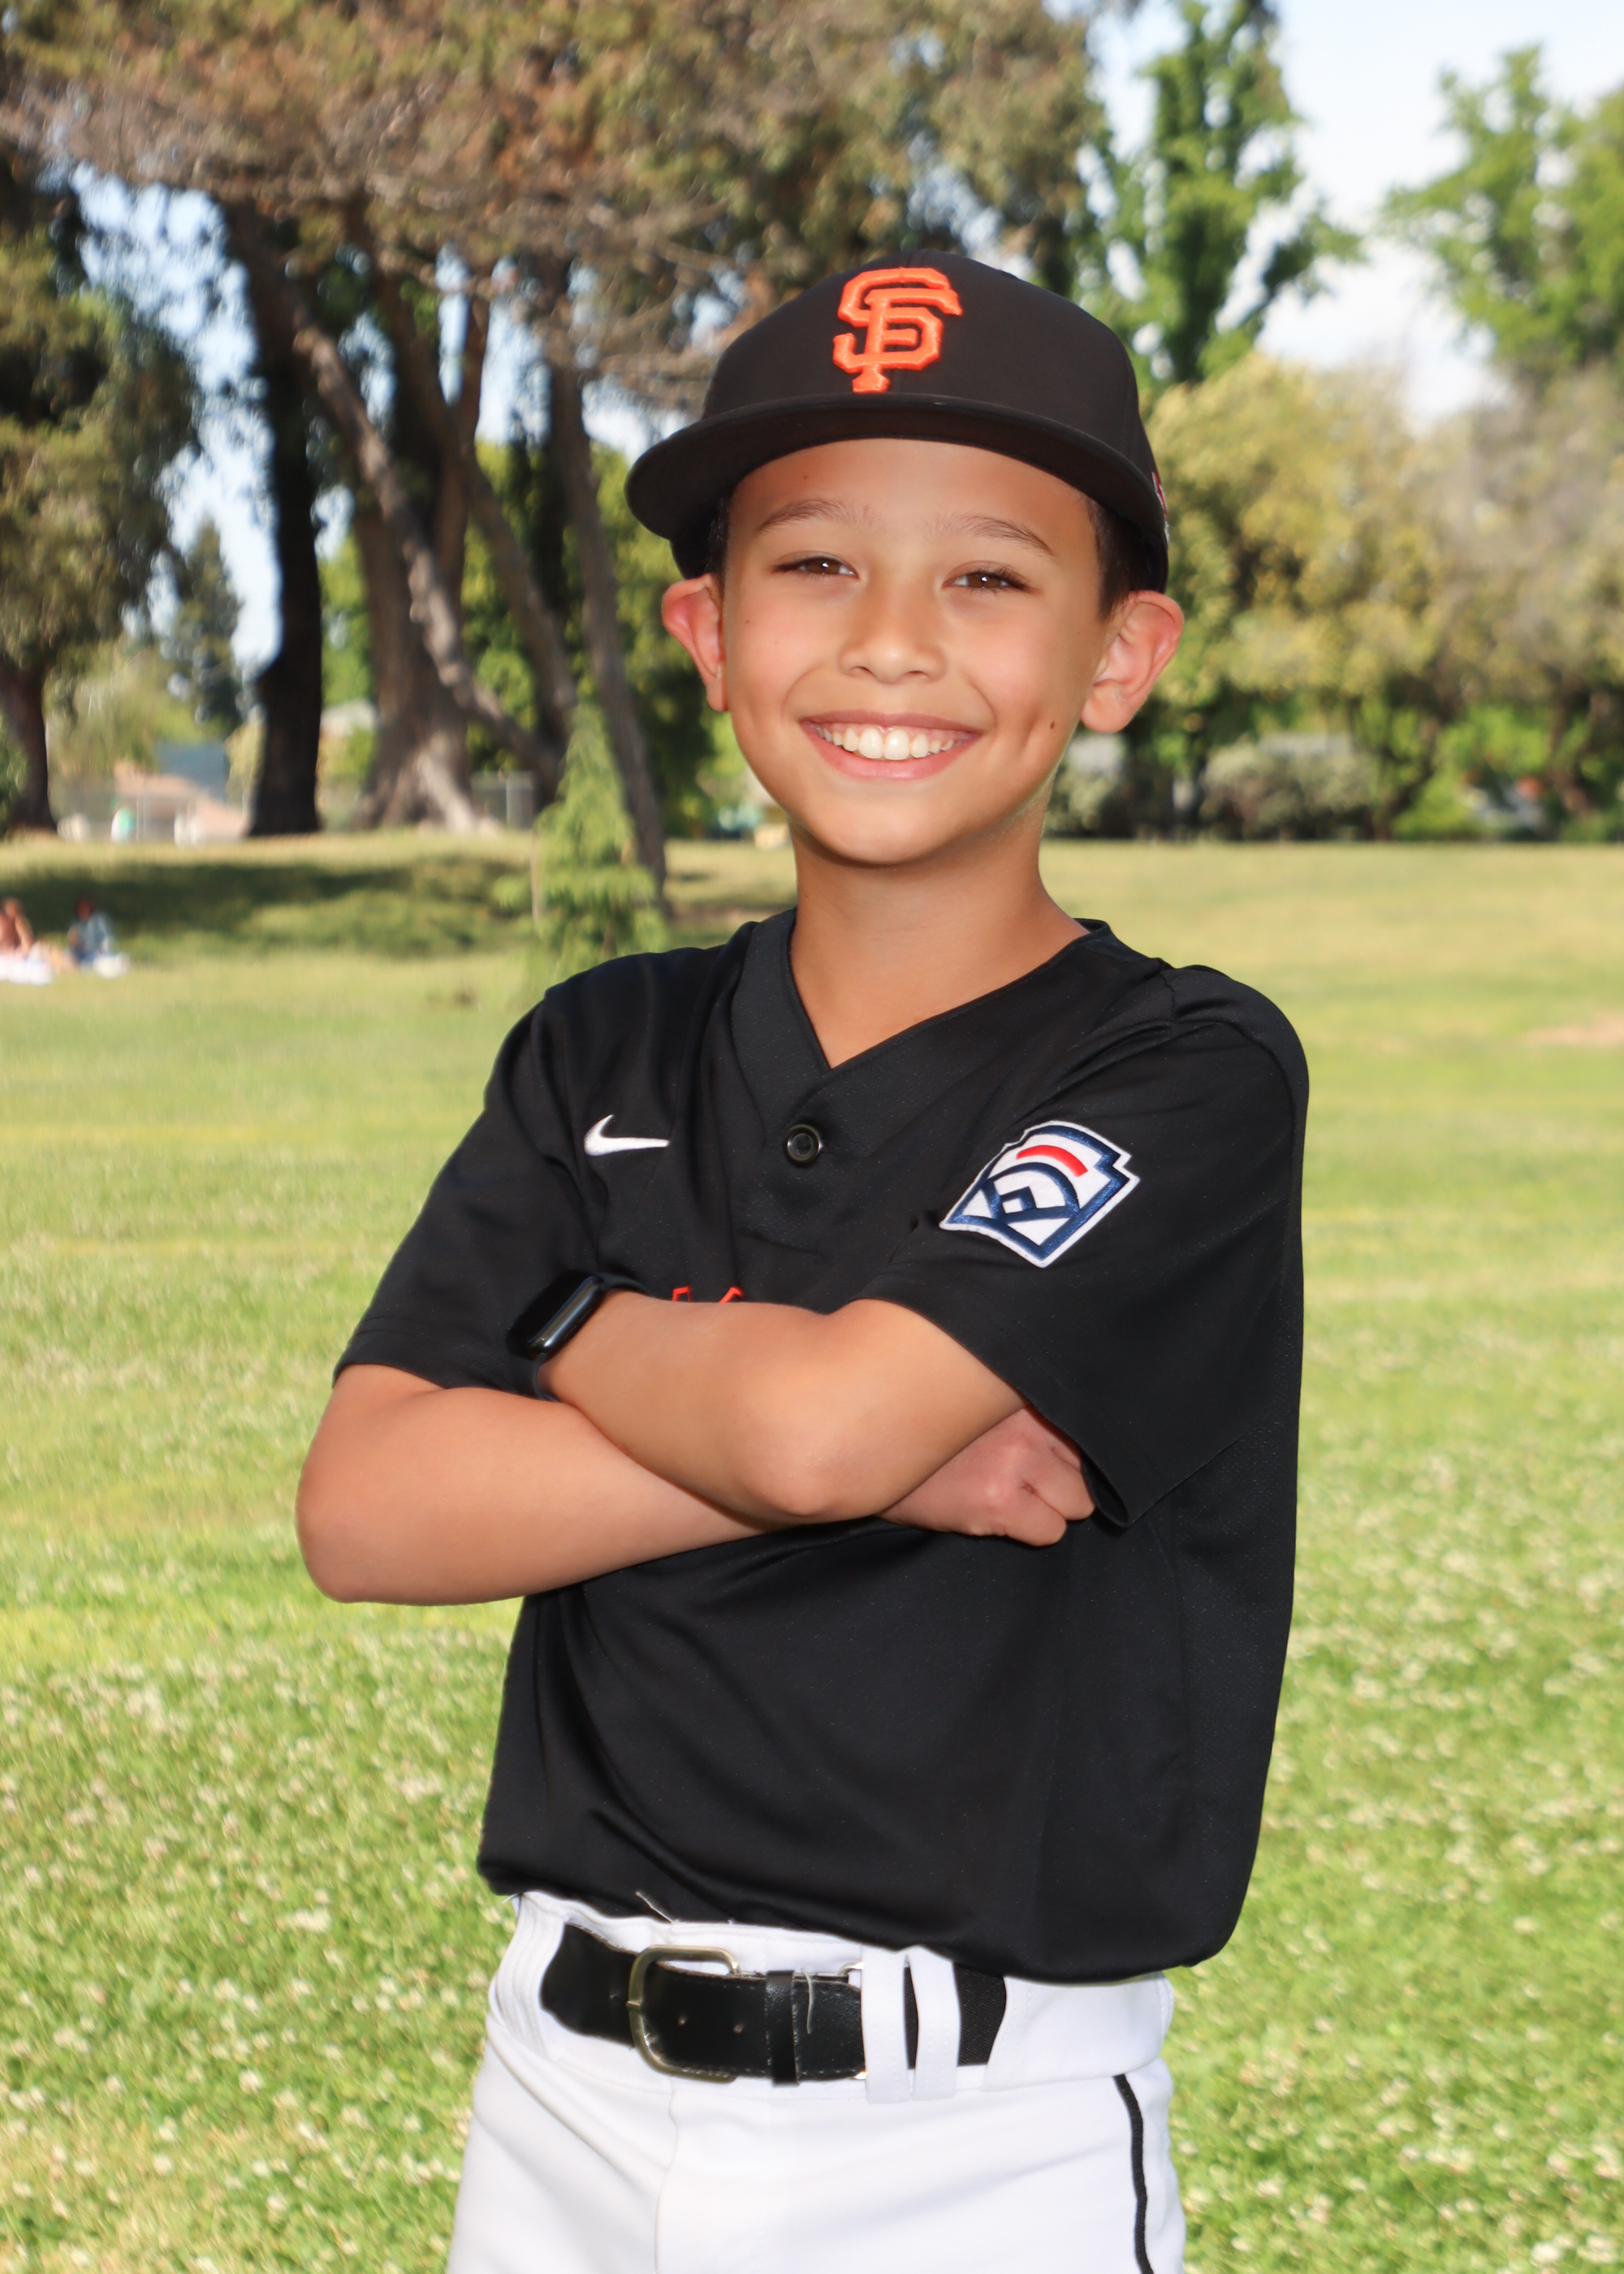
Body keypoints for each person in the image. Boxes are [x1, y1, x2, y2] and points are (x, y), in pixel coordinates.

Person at [297, 254, 1307, 2274]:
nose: (892, 641)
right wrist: (861, 1449)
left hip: (974, 2137)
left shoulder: (1182, 1063)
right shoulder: (601, 1044)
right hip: (566, 2099)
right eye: (815, 564)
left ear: (1121, 652)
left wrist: (572, 1328)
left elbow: (830, 1428)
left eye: (990, 576)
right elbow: (368, 1505)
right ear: (706, 631)